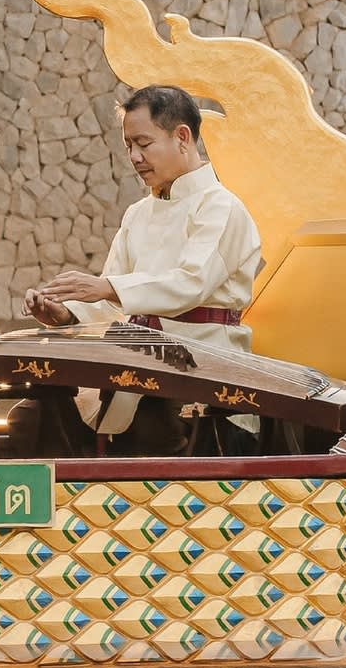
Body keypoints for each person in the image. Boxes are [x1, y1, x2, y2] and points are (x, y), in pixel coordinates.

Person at [24, 86, 263, 434]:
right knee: (30, 419)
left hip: (205, 367)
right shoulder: (137, 213)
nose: (135, 157)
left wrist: (107, 287)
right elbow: (112, 301)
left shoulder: (221, 207)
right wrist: (65, 314)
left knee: (151, 422)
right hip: (136, 362)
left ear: (182, 137)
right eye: (129, 146)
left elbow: (191, 283)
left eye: (144, 143)